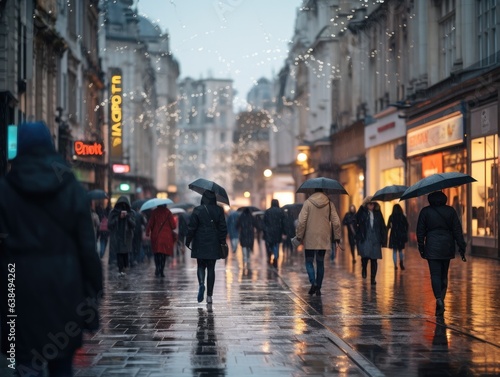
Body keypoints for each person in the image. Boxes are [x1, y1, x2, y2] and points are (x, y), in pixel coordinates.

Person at [0, 121, 103, 377]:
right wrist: (93, 295)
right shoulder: (70, 187)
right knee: (61, 362)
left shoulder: (5, 190)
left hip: (17, 291)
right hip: (65, 289)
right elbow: (87, 249)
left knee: (24, 362)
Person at [416, 191, 466, 317]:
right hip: (447, 245)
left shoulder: (425, 212)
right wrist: (461, 247)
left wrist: (421, 247)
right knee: (444, 274)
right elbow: (457, 230)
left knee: (435, 274)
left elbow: (420, 231)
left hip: (432, 246)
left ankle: (438, 299)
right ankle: (442, 299)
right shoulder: (450, 211)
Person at [295, 188, 342, 296]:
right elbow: (336, 222)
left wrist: (299, 236)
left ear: (313, 192)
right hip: (323, 238)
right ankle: (318, 288)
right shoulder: (329, 204)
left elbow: (301, 221)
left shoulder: (307, 203)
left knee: (309, 261)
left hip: (310, 237)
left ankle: (313, 282)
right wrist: (337, 237)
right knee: (320, 262)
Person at [185, 190, 228, 304]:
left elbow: (192, 227)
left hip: (200, 241)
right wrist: (222, 240)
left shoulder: (197, 210)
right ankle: (209, 296)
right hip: (213, 242)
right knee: (211, 268)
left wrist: (188, 240)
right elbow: (223, 227)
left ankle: (201, 284)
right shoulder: (219, 210)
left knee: (200, 265)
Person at [355, 196, 387, 285]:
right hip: (365, 237)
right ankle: (364, 268)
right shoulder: (362, 212)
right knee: (365, 256)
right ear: (366, 204)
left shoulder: (377, 213)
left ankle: (373, 278)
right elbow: (355, 221)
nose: (371, 205)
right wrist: (358, 233)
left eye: (373, 203)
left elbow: (382, 225)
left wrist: (383, 239)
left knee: (374, 259)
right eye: (370, 204)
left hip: (375, 239)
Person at [146, 204, 177, 277]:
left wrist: (147, 232)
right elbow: (173, 226)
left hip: (156, 236)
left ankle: (157, 268)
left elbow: (150, 224)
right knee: (163, 254)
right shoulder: (168, 212)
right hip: (166, 236)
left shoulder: (154, 212)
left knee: (157, 253)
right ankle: (161, 270)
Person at [108, 196, 136, 276]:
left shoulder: (131, 213)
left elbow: (133, 225)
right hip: (117, 237)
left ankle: (124, 268)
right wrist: (118, 217)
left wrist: (127, 217)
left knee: (125, 254)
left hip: (127, 238)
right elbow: (110, 225)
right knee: (119, 254)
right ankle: (121, 269)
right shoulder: (113, 213)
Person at [263, 199, 285, 267]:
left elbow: (264, 222)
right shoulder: (281, 211)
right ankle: (275, 258)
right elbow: (283, 223)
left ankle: (269, 256)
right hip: (277, 232)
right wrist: (284, 232)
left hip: (269, 232)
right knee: (276, 245)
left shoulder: (267, 211)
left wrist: (265, 230)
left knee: (269, 245)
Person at [387, 203, 409, 270]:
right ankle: (401, 263)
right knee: (400, 250)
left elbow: (388, 226)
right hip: (400, 235)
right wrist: (404, 231)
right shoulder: (402, 216)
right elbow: (407, 225)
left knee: (394, 251)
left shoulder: (391, 216)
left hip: (394, 235)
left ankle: (395, 265)